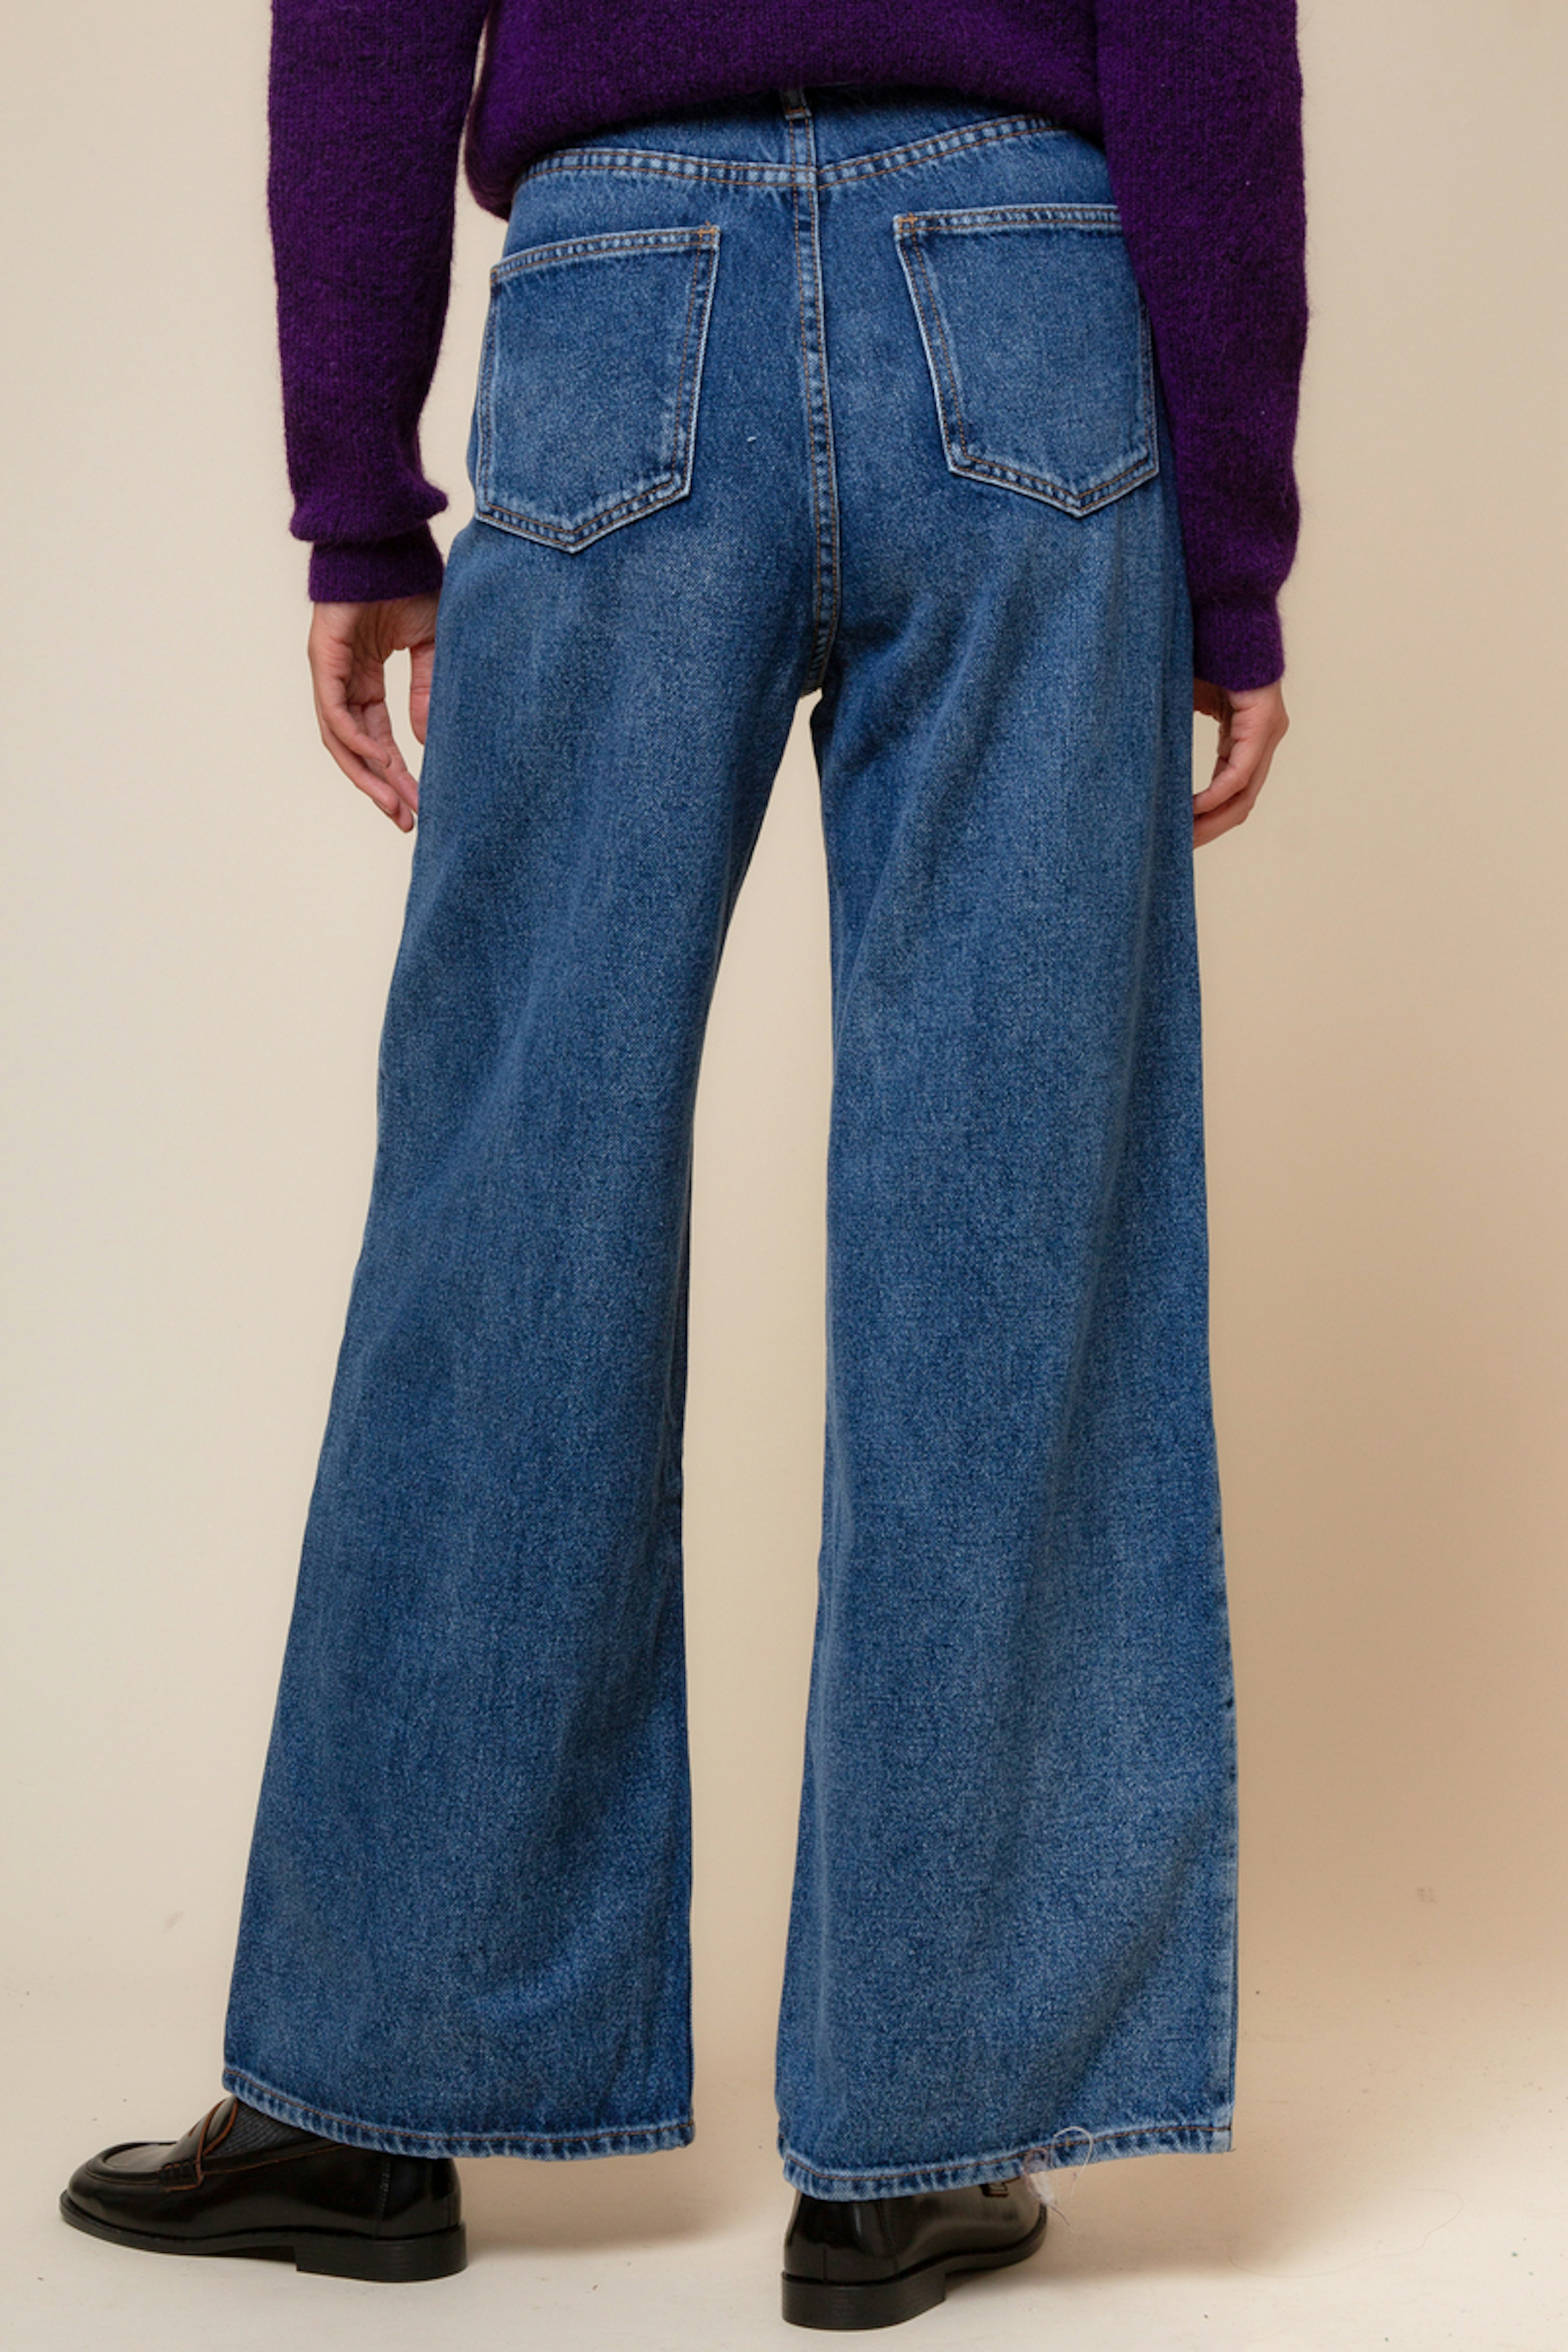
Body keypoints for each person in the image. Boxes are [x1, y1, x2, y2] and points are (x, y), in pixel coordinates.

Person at [59, 2, 1305, 2330]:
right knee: (1012, 1216)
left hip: (622, 298)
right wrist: (1232, 544)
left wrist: (358, 489)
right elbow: (1203, 28)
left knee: (510, 1199)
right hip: (1030, 300)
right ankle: (928, 2140)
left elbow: (368, 24)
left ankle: (368, 2099)